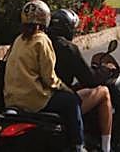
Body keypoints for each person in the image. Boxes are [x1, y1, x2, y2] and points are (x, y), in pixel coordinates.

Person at [3, 0, 85, 152]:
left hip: (11, 99)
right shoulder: (42, 41)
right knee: (72, 101)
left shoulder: (18, 40)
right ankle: (78, 145)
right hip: (33, 101)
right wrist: (66, 88)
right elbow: (50, 78)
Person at [48, 8, 113, 152]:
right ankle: (106, 148)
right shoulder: (68, 48)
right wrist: (104, 71)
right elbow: (90, 80)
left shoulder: (40, 44)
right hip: (56, 100)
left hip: (36, 99)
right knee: (104, 92)